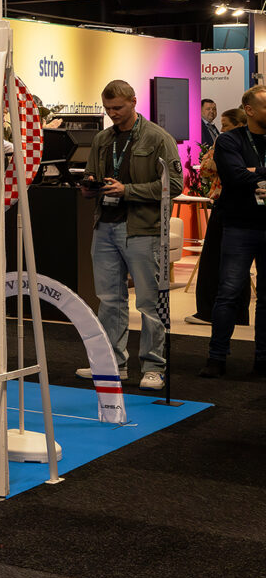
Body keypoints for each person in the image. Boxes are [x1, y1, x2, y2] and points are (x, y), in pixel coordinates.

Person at [76, 79, 182, 391]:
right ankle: (112, 366)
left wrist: (128, 190)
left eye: (118, 108)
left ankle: (153, 367)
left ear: (134, 102)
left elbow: (174, 185)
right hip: (105, 226)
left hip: (142, 229)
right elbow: (92, 173)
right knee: (109, 300)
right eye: (108, 109)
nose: (113, 114)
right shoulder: (102, 138)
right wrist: (89, 184)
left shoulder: (158, 138)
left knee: (149, 303)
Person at [202, 85, 266, 378]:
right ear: (249, 110)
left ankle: (262, 359)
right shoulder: (229, 140)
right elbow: (234, 176)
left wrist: (254, 173)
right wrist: (249, 174)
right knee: (228, 292)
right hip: (239, 225)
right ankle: (217, 358)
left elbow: (244, 174)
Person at [189, 108, 247, 328]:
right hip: (241, 207)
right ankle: (238, 315)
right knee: (236, 263)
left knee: (215, 261)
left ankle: (208, 312)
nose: (222, 130)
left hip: (226, 207)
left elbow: (205, 168)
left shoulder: (225, 145)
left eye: (226, 125)